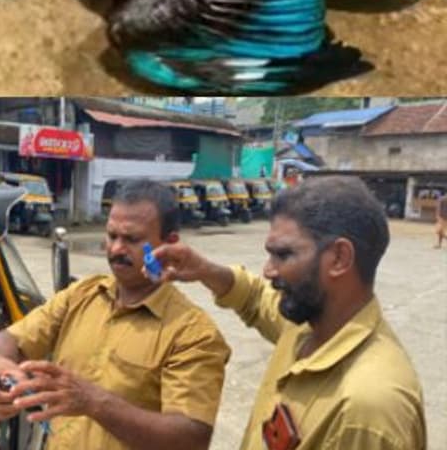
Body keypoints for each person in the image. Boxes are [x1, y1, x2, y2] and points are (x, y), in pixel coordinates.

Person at [152, 177, 425, 450]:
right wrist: (204, 270)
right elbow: (256, 298)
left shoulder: (368, 408)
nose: (268, 271)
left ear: (339, 258)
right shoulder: (310, 325)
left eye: (283, 255)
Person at [0, 179, 230, 450]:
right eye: (112, 236)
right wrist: (1, 370)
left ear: (170, 244)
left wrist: (94, 402)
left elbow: (191, 438)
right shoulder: (81, 295)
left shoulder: (193, 334)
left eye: (131, 239)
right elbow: (6, 341)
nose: (116, 249)